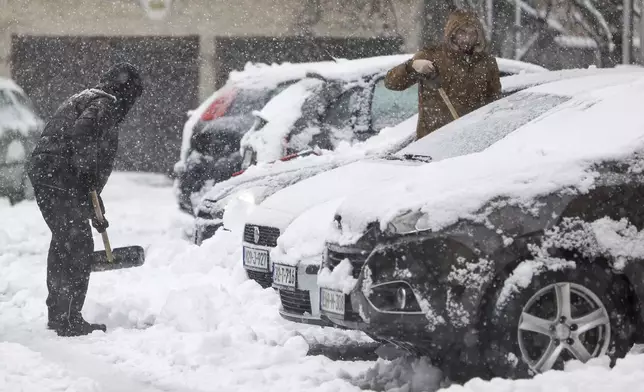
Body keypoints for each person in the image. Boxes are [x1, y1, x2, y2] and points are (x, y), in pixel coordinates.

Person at [27, 63, 143, 337]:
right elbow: (81, 137)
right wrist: (87, 172)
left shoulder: (87, 97)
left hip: (49, 175)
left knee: (64, 240)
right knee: (77, 243)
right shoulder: (105, 104)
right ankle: (68, 319)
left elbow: (80, 157)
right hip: (59, 176)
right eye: (133, 97)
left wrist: (94, 207)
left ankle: (59, 314)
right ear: (125, 91)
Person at [385, 9, 501, 140]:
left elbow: (495, 103)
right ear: (452, 33)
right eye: (462, 32)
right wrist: (411, 67)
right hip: (433, 142)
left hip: (471, 141)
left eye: (472, 33)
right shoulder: (432, 56)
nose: (467, 38)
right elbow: (391, 82)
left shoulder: (486, 62)